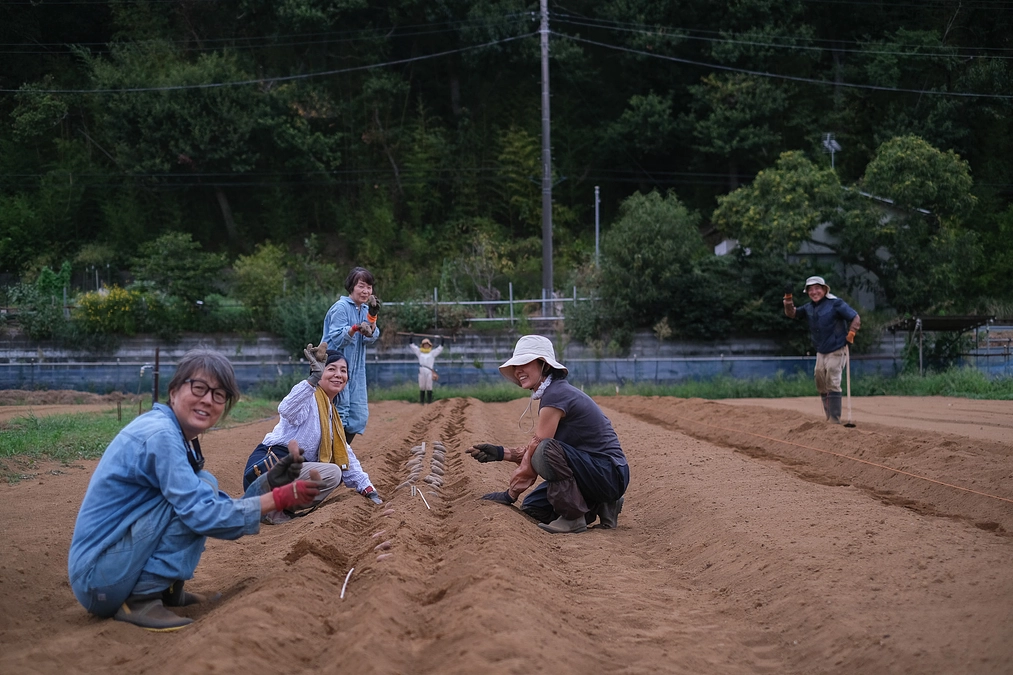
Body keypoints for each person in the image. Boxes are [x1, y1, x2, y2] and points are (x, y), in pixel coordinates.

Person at [68, 348, 323, 632]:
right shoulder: (162, 435)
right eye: (199, 388)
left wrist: (269, 482)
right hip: (99, 581)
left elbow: (209, 505)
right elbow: (203, 514)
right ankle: (141, 598)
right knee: (193, 499)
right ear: (174, 391)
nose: (208, 400)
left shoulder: (174, 432)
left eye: (219, 395)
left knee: (204, 483)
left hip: (109, 569)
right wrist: (281, 498)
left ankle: (166, 590)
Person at [465, 335, 630, 534]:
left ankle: (573, 516)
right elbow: (538, 449)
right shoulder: (554, 391)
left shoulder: (556, 394)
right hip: (594, 471)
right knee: (534, 506)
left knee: (544, 450)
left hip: (609, 473)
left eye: (524, 363)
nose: (518, 371)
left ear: (544, 364)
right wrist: (501, 453)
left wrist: (510, 494)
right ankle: (603, 504)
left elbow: (540, 448)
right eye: (515, 366)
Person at [242, 347, 382, 524]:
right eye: (331, 369)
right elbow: (286, 409)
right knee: (332, 472)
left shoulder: (331, 415)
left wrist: (367, 488)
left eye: (343, 370)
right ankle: (267, 507)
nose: (338, 375)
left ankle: (277, 508)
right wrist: (313, 379)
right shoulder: (309, 395)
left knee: (334, 472)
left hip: (288, 472)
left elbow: (346, 456)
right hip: (266, 468)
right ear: (319, 371)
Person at [783, 275, 861, 424]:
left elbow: (855, 317)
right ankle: (829, 417)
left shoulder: (836, 303)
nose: (814, 292)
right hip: (821, 350)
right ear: (807, 292)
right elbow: (791, 313)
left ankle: (834, 419)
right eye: (810, 290)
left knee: (832, 378)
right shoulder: (809, 307)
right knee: (820, 381)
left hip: (837, 348)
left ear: (824, 289)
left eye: (817, 288)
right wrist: (788, 298)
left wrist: (851, 334)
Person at [321, 267, 380, 444]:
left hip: (356, 370)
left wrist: (372, 318)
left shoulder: (365, 309)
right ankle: (332, 452)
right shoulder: (340, 308)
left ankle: (342, 450)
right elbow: (338, 339)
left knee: (358, 415)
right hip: (336, 368)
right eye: (361, 286)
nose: (366, 291)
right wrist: (354, 329)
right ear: (351, 287)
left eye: (369, 287)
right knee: (340, 411)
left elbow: (370, 339)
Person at [408, 336, 444, 404]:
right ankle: (422, 401)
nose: (426, 346)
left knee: (429, 386)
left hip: (429, 370)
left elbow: (439, 349)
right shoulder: (419, 352)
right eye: (425, 344)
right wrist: (411, 339)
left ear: (429, 345)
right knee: (422, 386)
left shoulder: (432, 353)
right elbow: (413, 347)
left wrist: (442, 342)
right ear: (423, 345)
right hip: (422, 370)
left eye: (427, 344)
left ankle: (429, 401)